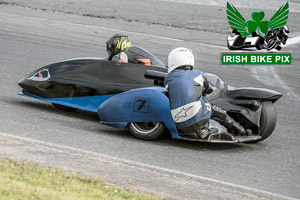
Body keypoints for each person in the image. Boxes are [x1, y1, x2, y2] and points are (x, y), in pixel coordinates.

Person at [164, 47, 250, 139]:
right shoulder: (197, 74)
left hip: (179, 123)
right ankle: (240, 130)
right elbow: (208, 90)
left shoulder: (168, 78)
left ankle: (202, 130)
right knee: (215, 110)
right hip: (199, 118)